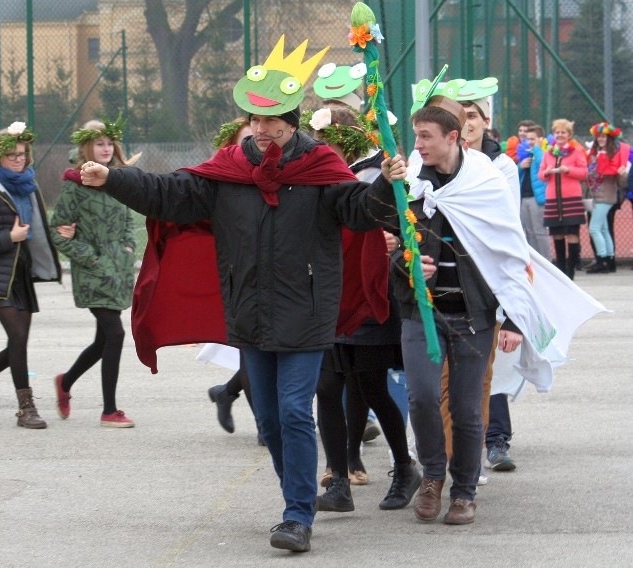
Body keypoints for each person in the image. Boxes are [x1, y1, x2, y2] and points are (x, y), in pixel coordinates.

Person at [78, 35, 407, 553]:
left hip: (307, 312)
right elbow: (169, 195)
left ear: (292, 125)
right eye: (256, 125)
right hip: (250, 313)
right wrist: (113, 178)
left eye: (273, 126)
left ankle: (298, 515)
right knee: (271, 419)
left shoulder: (321, 171)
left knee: (296, 411)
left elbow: (360, 211)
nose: (263, 134)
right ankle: (293, 496)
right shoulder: (227, 173)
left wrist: (386, 184)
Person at [397, 94, 527, 526]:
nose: (418, 145)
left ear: (452, 137)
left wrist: (512, 318)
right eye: (416, 136)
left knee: (469, 409)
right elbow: (393, 246)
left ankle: (464, 491)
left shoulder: (485, 183)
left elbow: (509, 253)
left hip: (473, 316)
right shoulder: (411, 185)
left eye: (425, 136)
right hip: (423, 314)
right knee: (422, 397)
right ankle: (432, 475)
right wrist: (410, 263)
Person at [305, 106, 420, 513]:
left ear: (347, 137)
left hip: (370, 294)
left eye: (325, 138)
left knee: (370, 386)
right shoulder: (318, 171)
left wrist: (392, 241)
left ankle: (405, 468)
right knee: (327, 388)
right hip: (329, 295)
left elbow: (407, 220)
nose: (319, 145)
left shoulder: (380, 170)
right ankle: (339, 480)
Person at [0, 121, 61, 429]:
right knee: (17, 337)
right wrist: (9, 238)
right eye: (12, 155)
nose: (19, 159)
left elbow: (37, 232)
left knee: (19, 342)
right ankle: (26, 408)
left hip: (21, 273)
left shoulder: (27, 185)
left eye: (22, 154)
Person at [50, 118, 139, 428]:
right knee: (115, 334)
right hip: (93, 272)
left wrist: (128, 248)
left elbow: (128, 220)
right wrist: (91, 258)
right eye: (99, 143)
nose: (105, 149)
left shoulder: (117, 180)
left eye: (109, 144)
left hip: (119, 270)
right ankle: (109, 410)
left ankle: (65, 382)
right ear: (87, 147)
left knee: (104, 340)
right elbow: (57, 232)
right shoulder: (75, 185)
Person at [204, 118, 258, 437]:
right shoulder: (222, 181)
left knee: (267, 353)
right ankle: (265, 423)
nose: (254, 144)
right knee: (250, 350)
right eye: (245, 140)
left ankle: (226, 392)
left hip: (273, 275)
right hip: (236, 275)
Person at [538, 119, 588, 279]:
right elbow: (540, 175)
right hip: (553, 200)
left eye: (563, 132)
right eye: (557, 132)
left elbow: (583, 173)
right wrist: (547, 172)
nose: (560, 135)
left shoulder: (576, 152)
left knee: (572, 234)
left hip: (571, 199)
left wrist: (568, 170)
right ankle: (561, 272)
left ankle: (571, 271)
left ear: (569, 135)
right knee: (557, 235)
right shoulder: (548, 153)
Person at [584, 122, 625, 274]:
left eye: (604, 136)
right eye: (599, 136)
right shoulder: (595, 153)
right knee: (603, 229)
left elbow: (616, 175)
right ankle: (609, 260)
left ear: (609, 138)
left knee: (594, 228)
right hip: (597, 195)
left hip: (606, 196)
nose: (601, 139)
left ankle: (601, 260)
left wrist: (621, 173)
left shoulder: (612, 154)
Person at [520, 125, 551, 260]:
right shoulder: (526, 153)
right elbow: (516, 175)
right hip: (524, 197)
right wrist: (520, 167)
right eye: (528, 139)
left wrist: (538, 148)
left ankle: (547, 261)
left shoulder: (543, 152)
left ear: (540, 139)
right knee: (529, 232)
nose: (529, 142)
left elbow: (543, 163)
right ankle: (536, 262)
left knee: (539, 232)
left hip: (536, 198)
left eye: (533, 139)